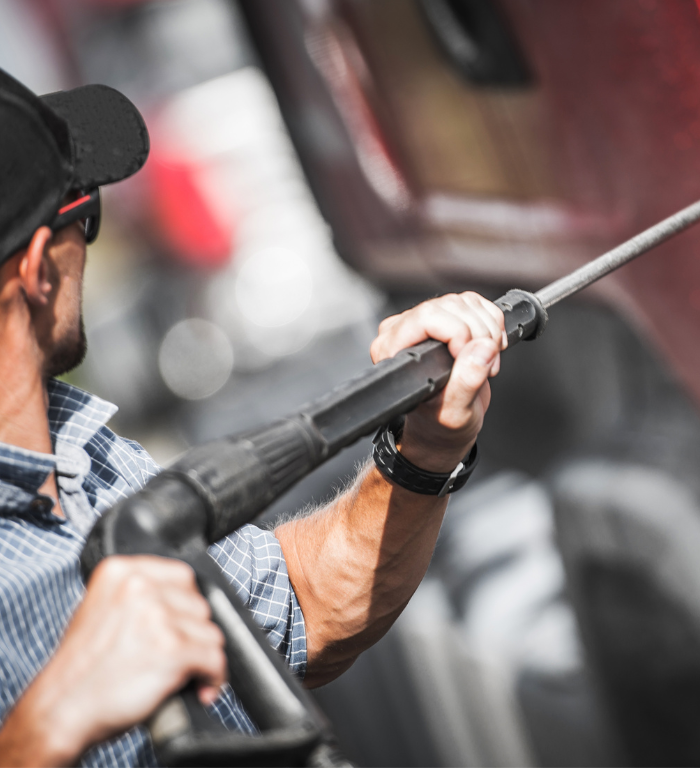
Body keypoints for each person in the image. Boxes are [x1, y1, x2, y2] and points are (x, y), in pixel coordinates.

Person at [0, 68, 506, 766]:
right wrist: (52, 722)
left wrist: (420, 451)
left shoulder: (89, 456)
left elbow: (301, 612)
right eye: (83, 211)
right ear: (35, 269)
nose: (88, 244)